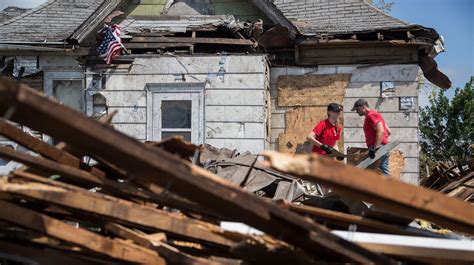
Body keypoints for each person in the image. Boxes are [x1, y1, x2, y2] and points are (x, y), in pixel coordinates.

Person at [351, 98, 392, 176]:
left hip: (378, 147)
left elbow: (381, 131)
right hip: (380, 147)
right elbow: (388, 131)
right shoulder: (374, 115)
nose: (356, 111)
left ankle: (390, 188)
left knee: (381, 171)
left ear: (363, 107)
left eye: (357, 109)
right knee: (379, 171)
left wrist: (376, 148)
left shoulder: (371, 115)